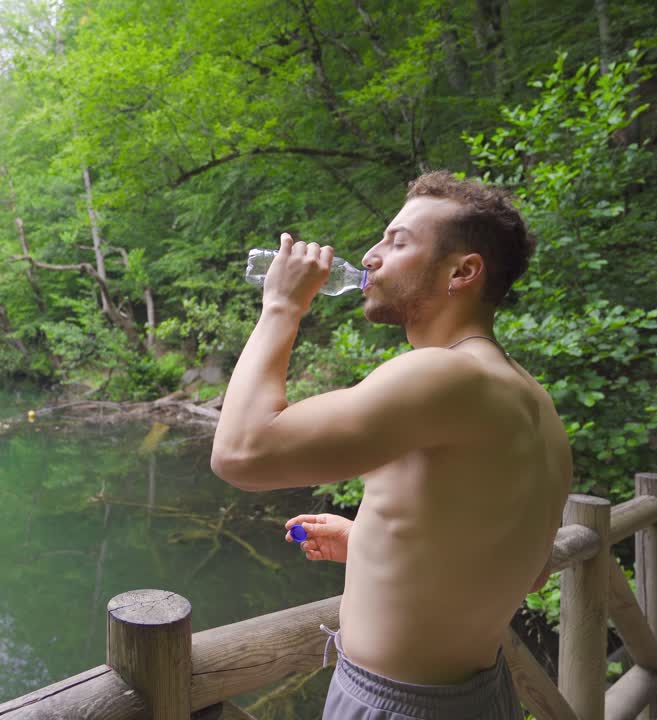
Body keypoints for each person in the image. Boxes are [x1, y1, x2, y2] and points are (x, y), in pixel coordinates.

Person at [210, 171, 572, 719]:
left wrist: (282, 306)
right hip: (483, 695)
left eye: (398, 242)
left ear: (463, 271)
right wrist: (373, 543)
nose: (371, 256)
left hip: (401, 706)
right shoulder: (532, 399)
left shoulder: (444, 376)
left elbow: (240, 452)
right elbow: (524, 564)